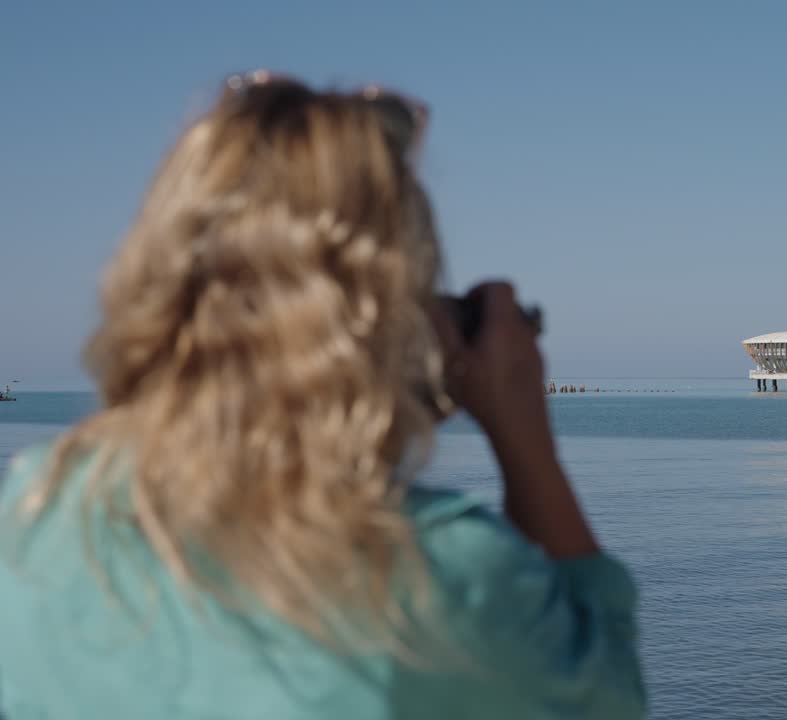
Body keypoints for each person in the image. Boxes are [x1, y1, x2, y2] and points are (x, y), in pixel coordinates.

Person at [0, 72, 645, 719]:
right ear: (381, 316)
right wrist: (524, 438)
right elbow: (602, 698)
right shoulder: (443, 580)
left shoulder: (32, 511)